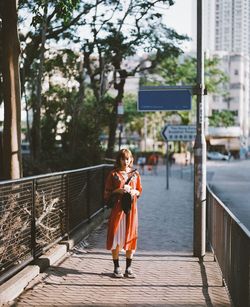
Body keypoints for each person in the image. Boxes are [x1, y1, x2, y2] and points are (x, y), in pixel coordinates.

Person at [104, 148, 142, 278]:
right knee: (116, 237)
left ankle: (129, 268)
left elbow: (139, 190)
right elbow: (107, 193)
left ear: (131, 159)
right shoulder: (113, 174)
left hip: (131, 211)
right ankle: (116, 268)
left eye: (128, 158)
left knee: (131, 236)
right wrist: (117, 191)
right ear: (119, 160)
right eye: (123, 158)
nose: (126, 161)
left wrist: (135, 192)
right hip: (118, 210)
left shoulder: (135, 174)